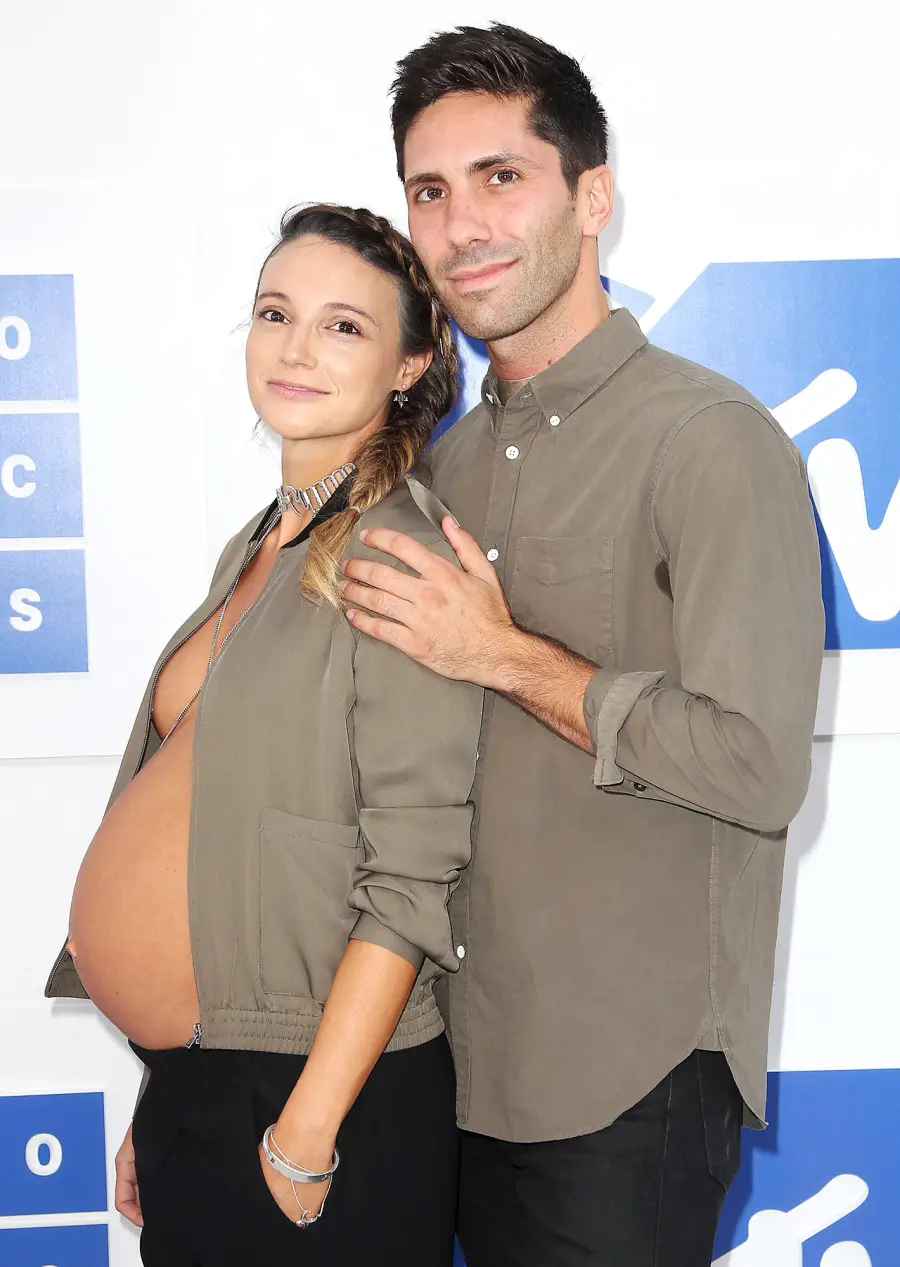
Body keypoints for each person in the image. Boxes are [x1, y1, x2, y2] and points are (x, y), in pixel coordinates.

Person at [338, 24, 826, 1267]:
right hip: (446, 1068)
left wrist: (503, 654)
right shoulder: (432, 464)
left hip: (622, 1081)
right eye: (431, 192)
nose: (463, 226)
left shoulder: (712, 441)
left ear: (592, 196)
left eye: (503, 177)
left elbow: (760, 764)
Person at [45, 203, 483, 1267]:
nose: (294, 346)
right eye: (274, 311)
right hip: (209, 1082)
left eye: (342, 326)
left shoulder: (395, 554)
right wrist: (166, 1089)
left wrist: (306, 1130)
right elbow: (213, 842)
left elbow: (412, 872)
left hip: (323, 1102)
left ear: (410, 359)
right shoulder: (262, 543)